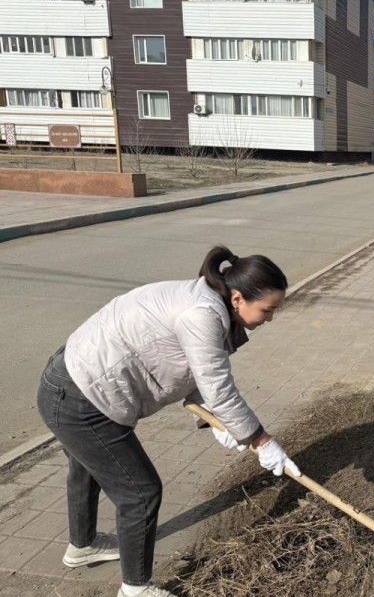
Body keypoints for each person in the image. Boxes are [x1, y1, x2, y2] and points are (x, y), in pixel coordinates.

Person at [36, 246, 300, 597]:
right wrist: (260, 439)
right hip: (81, 399)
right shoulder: (202, 314)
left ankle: (82, 546)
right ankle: (136, 589)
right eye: (268, 310)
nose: (270, 318)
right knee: (141, 493)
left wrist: (217, 423)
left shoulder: (208, 301)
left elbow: (195, 374)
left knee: (88, 468)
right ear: (238, 297)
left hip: (71, 383)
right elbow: (218, 387)